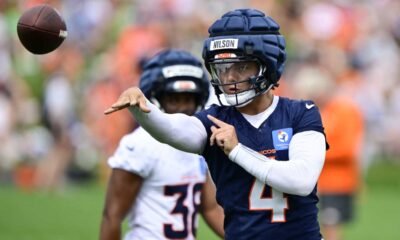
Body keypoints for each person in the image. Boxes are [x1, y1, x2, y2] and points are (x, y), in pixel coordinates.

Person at [105, 9, 328, 240]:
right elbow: (173, 129)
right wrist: (143, 110)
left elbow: (301, 180)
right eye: (222, 68)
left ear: (267, 64)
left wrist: (237, 151)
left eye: (240, 67)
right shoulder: (214, 119)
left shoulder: (301, 113)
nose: (229, 77)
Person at [100, 49, 224, 240]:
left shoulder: (199, 141)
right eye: (174, 99)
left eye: (188, 99)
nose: (182, 108)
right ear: (156, 98)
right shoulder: (141, 144)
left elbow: (211, 207)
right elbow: (112, 217)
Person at [291, 65, 364, 240]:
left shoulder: (345, 110)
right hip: (313, 181)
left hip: (337, 182)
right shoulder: (313, 112)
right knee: (312, 228)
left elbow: (348, 149)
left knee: (330, 228)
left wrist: (312, 155)